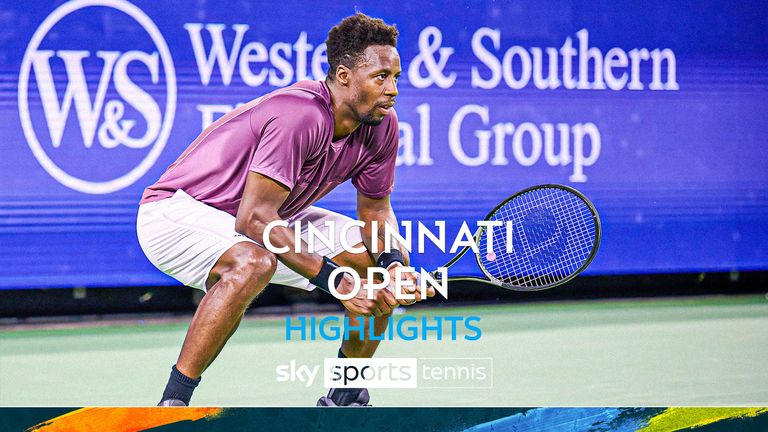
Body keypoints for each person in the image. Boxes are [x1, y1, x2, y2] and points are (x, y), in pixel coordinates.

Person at [136, 12, 434, 407]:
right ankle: (172, 404)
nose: (393, 89)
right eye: (381, 77)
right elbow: (254, 219)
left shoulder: (382, 124)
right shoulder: (301, 114)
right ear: (344, 76)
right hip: (177, 213)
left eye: (396, 77)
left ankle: (345, 394)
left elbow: (376, 212)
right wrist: (338, 281)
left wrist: (394, 265)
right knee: (254, 262)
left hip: (267, 216)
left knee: (374, 261)